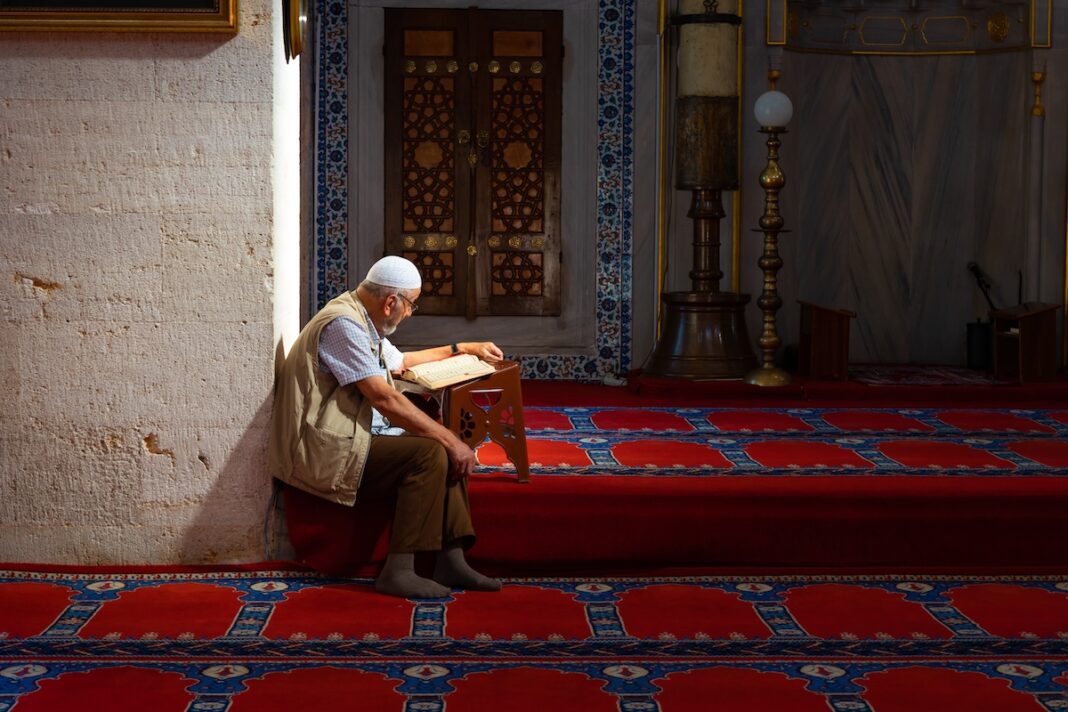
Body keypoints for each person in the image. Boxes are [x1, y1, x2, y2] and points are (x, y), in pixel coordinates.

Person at [270, 256, 504, 598]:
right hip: (322, 449)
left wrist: (462, 348)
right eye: (411, 304)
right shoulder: (343, 325)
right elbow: (383, 398)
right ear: (391, 301)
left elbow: (402, 362)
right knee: (431, 452)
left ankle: (451, 560)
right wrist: (450, 439)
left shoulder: (362, 319)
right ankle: (399, 570)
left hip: (350, 433)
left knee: (441, 443)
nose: (410, 313)